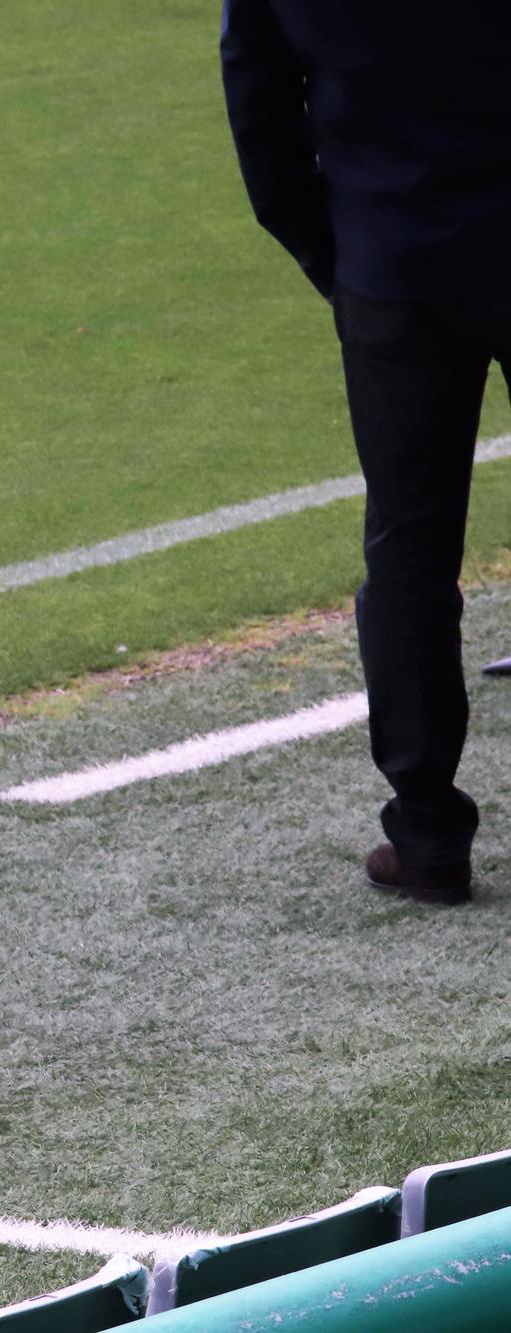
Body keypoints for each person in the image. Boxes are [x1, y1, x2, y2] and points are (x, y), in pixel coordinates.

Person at [221, 0, 511, 907]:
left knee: (409, 553)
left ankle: (427, 837)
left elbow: (259, 101)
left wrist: (340, 262)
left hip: (394, 261)